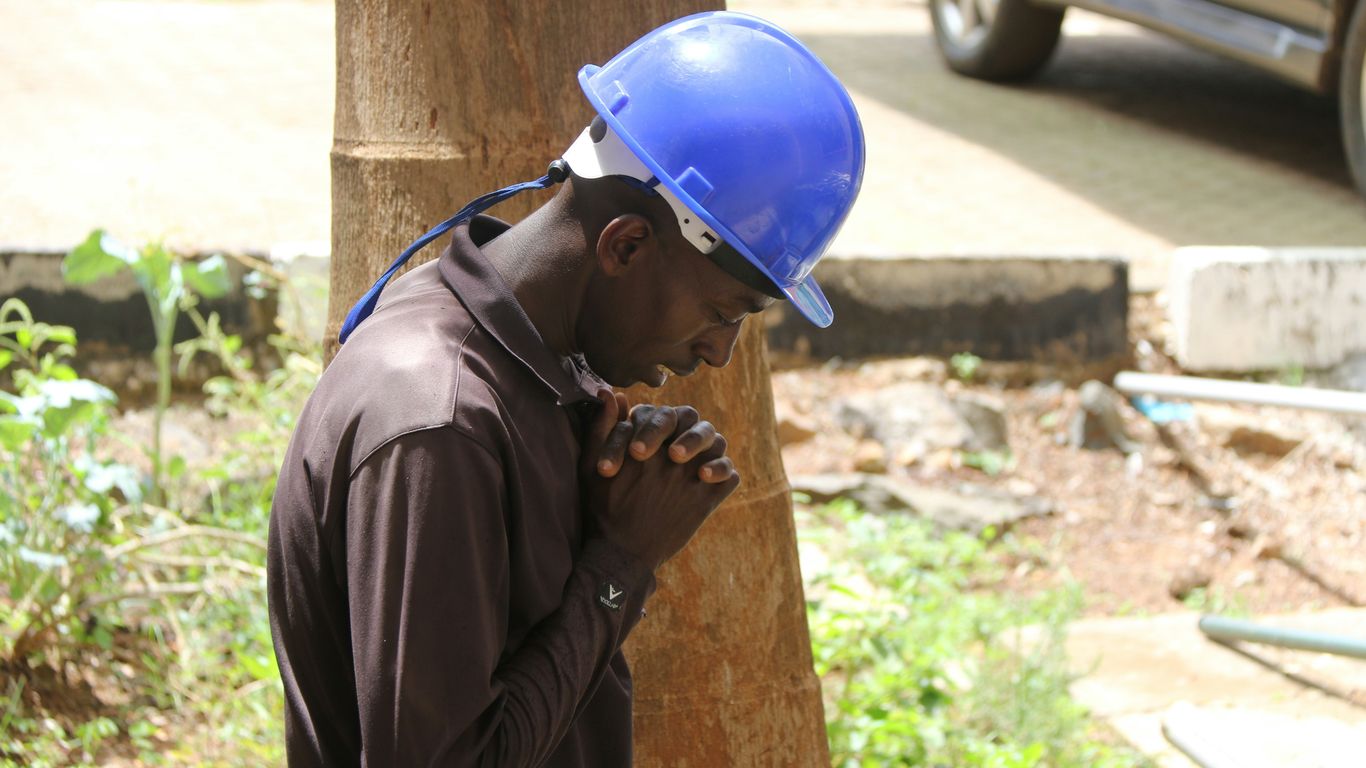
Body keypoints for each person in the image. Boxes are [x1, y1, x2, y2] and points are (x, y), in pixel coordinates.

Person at [267, 11, 864, 767]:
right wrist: (619, 561)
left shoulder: (523, 357)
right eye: (720, 313)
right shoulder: (438, 421)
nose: (718, 353)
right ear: (627, 244)